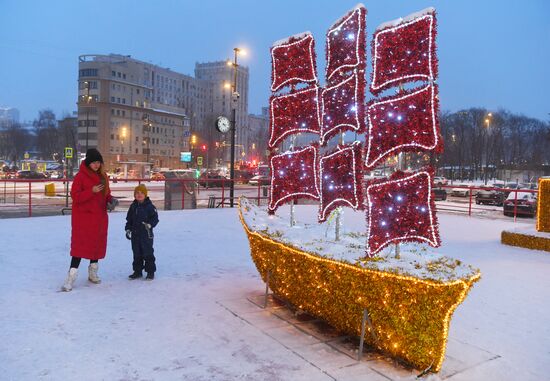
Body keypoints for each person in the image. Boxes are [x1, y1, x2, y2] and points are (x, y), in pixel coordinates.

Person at [62, 148, 117, 292]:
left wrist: (111, 200)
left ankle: (93, 272)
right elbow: (75, 196)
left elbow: (106, 194)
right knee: (79, 248)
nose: (96, 165)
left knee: (96, 246)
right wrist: (91, 191)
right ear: (88, 162)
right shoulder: (80, 177)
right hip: (83, 219)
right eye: (94, 162)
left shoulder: (103, 176)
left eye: (98, 162)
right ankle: (70, 277)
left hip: (99, 217)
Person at [125, 184, 159, 280]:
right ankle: (137, 271)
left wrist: (150, 225)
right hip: (135, 234)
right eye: (137, 193)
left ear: (145, 195)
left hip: (146, 235)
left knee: (147, 253)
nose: (139, 195)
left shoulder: (150, 207)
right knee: (137, 253)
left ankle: (150, 271)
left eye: (141, 193)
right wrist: (128, 229)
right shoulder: (133, 206)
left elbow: (155, 219)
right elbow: (129, 220)